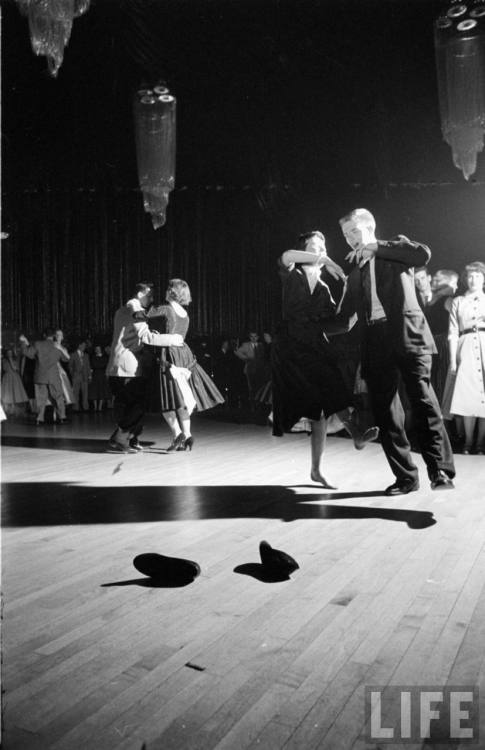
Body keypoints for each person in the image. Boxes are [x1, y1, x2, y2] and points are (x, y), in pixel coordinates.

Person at [335, 208, 455, 495]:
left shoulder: (395, 250)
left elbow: (422, 254)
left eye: (354, 231)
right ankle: (406, 478)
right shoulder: (355, 272)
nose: (350, 239)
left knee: (423, 401)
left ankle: (439, 471)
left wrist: (376, 247)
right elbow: (345, 317)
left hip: (408, 335)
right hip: (376, 340)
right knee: (386, 412)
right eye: (345, 235)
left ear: (370, 227)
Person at [271, 230, 379, 489]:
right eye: (314, 245)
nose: (320, 249)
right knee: (327, 389)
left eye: (323, 245)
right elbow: (286, 256)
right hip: (293, 348)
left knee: (321, 411)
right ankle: (354, 431)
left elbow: (334, 324)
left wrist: (351, 319)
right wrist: (328, 261)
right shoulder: (291, 272)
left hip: (317, 346)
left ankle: (317, 470)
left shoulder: (324, 288)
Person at [146, 279, 225, 451]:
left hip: (169, 353)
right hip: (183, 353)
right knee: (180, 397)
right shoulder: (185, 314)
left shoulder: (166, 309)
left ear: (171, 292)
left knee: (168, 398)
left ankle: (177, 434)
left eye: (168, 289)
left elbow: (145, 316)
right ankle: (188, 435)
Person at [105, 281, 184, 453]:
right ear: (140, 294)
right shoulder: (133, 307)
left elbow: (136, 334)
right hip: (126, 368)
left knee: (132, 404)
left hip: (123, 367)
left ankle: (128, 438)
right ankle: (120, 437)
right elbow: (145, 336)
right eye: (149, 295)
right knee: (138, 404)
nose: (152, 299)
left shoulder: (125, 310)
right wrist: (173, 339)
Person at [441, 261, 485, 454]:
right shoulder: (458, 301)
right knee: (468, 396)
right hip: (465, 347)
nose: (473, 279)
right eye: (470, 276)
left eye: (477, 275)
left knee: (483, 397)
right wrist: (453, 359)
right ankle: (468, 441)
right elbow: (453, 332)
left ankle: (481, 443)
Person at [19, 328, 69, 424]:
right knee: (58, 396)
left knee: (41, 399)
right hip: (53, 376)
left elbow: (28, 353)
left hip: (40, 376)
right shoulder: (57, 346)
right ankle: (62, 417)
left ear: (44, 335)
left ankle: (39, 419)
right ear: (53, 336)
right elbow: (66, 359)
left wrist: (23, 342)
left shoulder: (38, 344)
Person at [1, 345, 29, 416]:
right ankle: (8, 411)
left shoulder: (15, 360)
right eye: (8, 353)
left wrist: (10, 360)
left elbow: (15, 368)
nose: (9, 354)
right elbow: (4, 369)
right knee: (8, 396)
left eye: (10, 353)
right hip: (7, 378)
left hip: (15, 378)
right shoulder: (4, 360)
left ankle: (15, 411)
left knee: (15, 394)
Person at [54, 329, 74, 410]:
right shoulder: (52, 345)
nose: (59, 336)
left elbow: (68, 358)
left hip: (59, 369)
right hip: (52, 368)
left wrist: (61, 348)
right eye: (58, 334)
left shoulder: (62, 347)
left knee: (63, 391)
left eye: (61, 335)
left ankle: (61, 414)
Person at [69, 339, 91, 412]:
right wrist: (72, 374)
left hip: (84, 376)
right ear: (79, 345)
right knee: (76, 393)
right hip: (76, 376)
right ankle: (76, 408)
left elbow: (88, 366)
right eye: (83, 345)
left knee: (85, 393)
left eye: (85, 346)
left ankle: (85, 407)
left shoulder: (86, 355)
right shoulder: (73, 355)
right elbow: (70, 366)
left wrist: (89, 376)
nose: (84, 347)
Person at [88, 344, 111, 411]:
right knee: (94, 391)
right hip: (95, 375)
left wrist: (99, 366)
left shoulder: (105, 358)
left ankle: (100, 407)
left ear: (101, 350)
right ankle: (95, 407)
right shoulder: (93, 357)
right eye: (96, 349)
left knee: (101, 391)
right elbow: (93, 365)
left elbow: (105, 365)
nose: (97, 350)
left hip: (102, 375)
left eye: (99, 349)